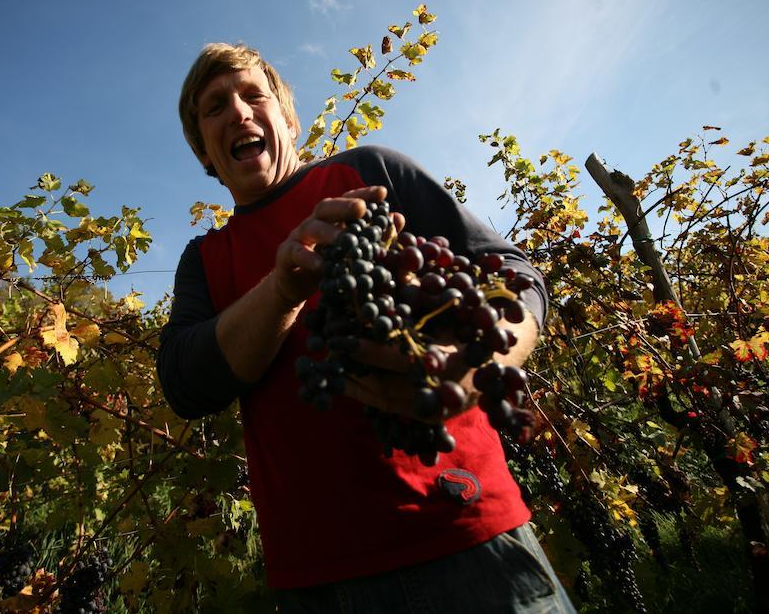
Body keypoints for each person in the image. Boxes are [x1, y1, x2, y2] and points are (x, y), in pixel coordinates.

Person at [157, 43, 575, 613]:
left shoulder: (369, 172)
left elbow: (514, 275)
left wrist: (484, 365)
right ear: (205, 150)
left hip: (467, 533)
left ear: (287, 120)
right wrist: (282, 289)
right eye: (214, 108)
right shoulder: (204, 258)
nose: (238, 112)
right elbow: (185, 383)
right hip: (316, 580)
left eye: (255, 95)